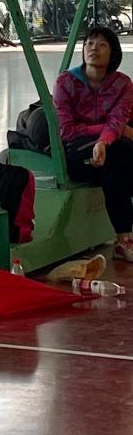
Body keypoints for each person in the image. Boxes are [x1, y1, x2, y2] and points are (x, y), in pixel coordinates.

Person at [53, 24, 133, 262]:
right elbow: (67, 131)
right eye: (89, 43)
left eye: (102, 45)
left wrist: (105, 140)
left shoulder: (122, 84)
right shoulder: (65, 82)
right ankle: (124, 239)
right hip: (77, 152)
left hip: (109, 155)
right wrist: (107, 135)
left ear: (113, 53)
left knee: (118, 160)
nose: (94, 48)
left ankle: (124, 239)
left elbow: (118, 119)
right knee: (122, 149)